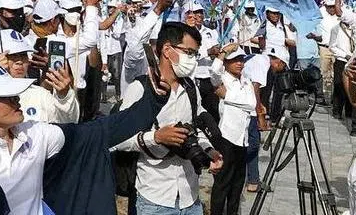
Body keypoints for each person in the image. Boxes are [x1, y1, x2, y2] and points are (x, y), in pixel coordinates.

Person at [0, 51, 167, 215]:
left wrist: (153, 100)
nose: (17, 100)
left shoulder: (34, 135)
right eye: (7, 97)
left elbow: (99, 132)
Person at [113, 21, 224, 215]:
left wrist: (209, 152)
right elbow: (117, 138)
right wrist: (157, 138)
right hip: (153, 198)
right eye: (188, 52)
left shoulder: (191, 88)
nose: (193, 60)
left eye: (195, 54)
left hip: (190, 197)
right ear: (167, 50)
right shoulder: (140, 89)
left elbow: (195, 129)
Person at [0, 29, 79, 124]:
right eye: (12, 56)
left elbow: (69, 121)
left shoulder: (40, 94)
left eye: (23, 55)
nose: (20, 61)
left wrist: (64, 95)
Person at [209, 48, 255, 215]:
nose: (239, 63)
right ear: (226, 63)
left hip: (242, 139)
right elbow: (213, 72)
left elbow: (252, 103)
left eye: (242, 60)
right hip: (227, 137)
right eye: (235, 60)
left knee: (237, 184)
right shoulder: (223, 79)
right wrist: (222, 53)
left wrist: (228, 97)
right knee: (222, 183)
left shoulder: (246, 81)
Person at [242, 46, 287, 192]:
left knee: (251, 143)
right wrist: (260, 114)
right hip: (245, 107)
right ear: (278, 62)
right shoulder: (262, 63)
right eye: (283, 66)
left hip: (246, 103)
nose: (280, 70)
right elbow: (255, 86)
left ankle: (253, 179)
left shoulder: (258, 59)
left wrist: (260, 105)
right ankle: (251, 180)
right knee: (253, 143)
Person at [307, 0, 352, 120]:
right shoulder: (319, 13)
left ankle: (333, 99)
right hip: (324, 47)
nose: (332, 9)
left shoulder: (341, 15)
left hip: (340, 51)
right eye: (329, 7)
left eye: (333, 7)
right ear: (325, 6)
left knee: (335, 76)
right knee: (324, 73)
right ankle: (324, 97)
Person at [184, 2, 221, 120]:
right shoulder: (185, 33)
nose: (199, 15)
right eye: (195, 12)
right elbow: (188, 55)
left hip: (210, 77)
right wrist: (208, 52)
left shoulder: (211, 32)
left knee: (214, 111)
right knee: (195, 110)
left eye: (200, 12)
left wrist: (216, 53)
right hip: (195, 77)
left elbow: (215, 53)